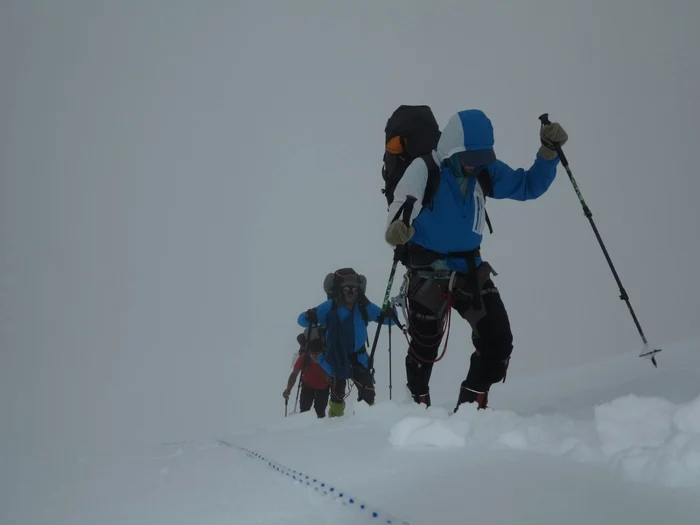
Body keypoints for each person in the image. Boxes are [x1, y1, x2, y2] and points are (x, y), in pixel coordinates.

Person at [383, 109, 567, 410]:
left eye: (482, 156)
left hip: (471, 269)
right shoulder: (424, 168)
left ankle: (469, 409)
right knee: (424, 347)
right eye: (471, 157)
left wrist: (548, 154)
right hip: (427, 272)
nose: (476, 163)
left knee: (498, 342)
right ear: (453, 150)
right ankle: (415, 406)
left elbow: (527, 186)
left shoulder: (485, 170)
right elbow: (405, 201)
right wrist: (397, 227)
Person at [298, 268, 394, 417]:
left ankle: (366, 422)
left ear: (359, 290)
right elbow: (302, 321)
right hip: (338, 357)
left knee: (367, 394)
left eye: (354, 289)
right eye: (347, 289)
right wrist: (309, 315)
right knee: (338, 393)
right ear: (340, 290)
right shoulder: (331, 306)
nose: (351, 292)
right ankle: (337, 423)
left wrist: (386, 312)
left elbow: (390, 320)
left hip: (356, 358)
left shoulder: (362, 306)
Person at [283, 327, 330, 418]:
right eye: (313, 354)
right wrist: (288, 389)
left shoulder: (326, 358)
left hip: (322, 388)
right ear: (309, 352)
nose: (316, 357)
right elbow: (294, 374)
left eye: (318, 354)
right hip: (308, 387)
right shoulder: (305, 357)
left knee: (320, 412)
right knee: (304, 412)